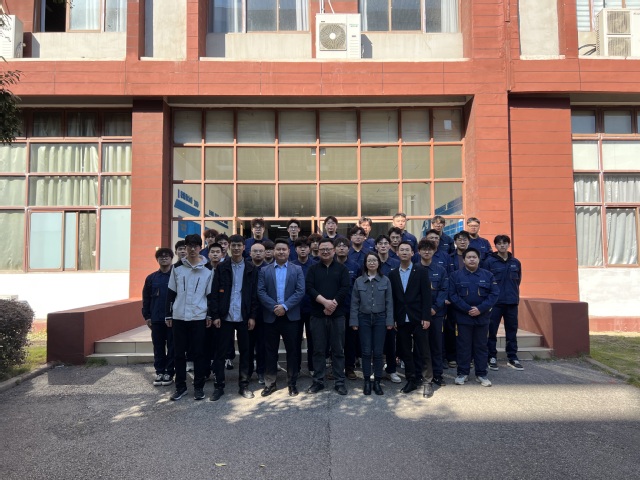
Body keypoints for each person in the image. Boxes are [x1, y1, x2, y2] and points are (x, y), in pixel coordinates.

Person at [209, 234, 259, 401]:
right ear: (229, 247)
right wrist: (215, 315)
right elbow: (214, 294)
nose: (236, 248)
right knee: (220, 353)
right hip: (225, 316)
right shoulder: (221, 267)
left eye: (239, 245)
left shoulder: (251, 268)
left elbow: (254, 295)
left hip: (244, 316)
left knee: (246, 352)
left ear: (244, 247)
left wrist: (252, 316)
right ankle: (219, 386)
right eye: (233, 245)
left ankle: (244, 385)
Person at [165, 234, 214, 401]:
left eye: (195, 246)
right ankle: (180, 387)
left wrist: (209, 314)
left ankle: (199, 387)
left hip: (198, 317)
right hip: (179, 316)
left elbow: (210, 295)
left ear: (200, 248)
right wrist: (168, 314)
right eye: (189, 246)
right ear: (185, 248)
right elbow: (171, 292)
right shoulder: (177, 268)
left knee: (199, 353)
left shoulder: (208, 269)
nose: (192, 249)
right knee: (179, 354)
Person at [257, 238, 306, 397]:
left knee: (292, 351)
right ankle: (270, 383)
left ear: (289, 251)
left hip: (290, 316)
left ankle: (292, 383)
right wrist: (275, 307)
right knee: (270, 351)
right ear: (273, 251)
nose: (281, 252)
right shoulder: (264, 270)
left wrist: (284, 307)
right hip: (271, 316)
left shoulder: (297, 269)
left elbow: (300, 291)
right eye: (278, 249)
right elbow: (261, 291)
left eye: (284, 249)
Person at [305, 238, 351, 395]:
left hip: (337, 316)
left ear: (334, 251)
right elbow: (309, 288)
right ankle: (318, 381)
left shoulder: (342, 269)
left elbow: (345, 288)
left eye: (328, 249)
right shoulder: (312, 269)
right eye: (322, 249)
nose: (325, 251)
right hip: (317, 315)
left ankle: (339, 382)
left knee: (338, 350)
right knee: (318, 350)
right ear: (318, 251)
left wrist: (333, 304)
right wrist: (325, 303)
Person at [389, 241, 434, 398]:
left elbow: (427, 296)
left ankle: (427, 382)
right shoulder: (393, 274)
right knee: (406, 351)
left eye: (407, 250)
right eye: (401, 250)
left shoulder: (420, 271)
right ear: (397, 253)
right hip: (401, 318)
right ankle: (412, 379)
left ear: (412, 253)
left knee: (424, 351)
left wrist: (426, 317)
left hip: (419, 318)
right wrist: (394, 318)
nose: (404, 252)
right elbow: (393, 299)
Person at [448, 248, 500, 387]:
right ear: (464, 260)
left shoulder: (488, 275)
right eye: (469, 257)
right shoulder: (455, 276)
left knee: (481, 346)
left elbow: (494, 294)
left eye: (474, 257)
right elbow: (452, 295)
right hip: (463, 317)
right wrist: (468, 309)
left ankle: (481, 374)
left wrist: (480, 309)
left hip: (482, 317)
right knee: (463, 346)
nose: (471, 259)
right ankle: (462, 373)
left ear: (478, 259)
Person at [350, 252, 393, 395]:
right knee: (366, 351)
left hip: (381, 319)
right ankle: (367, 381)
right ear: (365, 263)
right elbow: (354, 303)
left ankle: (377, 382)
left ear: (379, 263)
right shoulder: (359, 281)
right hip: (364, 319)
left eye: (374, 260)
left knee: (379, 352)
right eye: (369, 260)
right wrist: (354, 321)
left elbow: (389, 302)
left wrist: (389, 321)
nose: (372, 263)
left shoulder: (385, 280)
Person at [483, 235, 524, 371]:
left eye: (505, 243)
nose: (502, 245)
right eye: (499, 243)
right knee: (492, 330)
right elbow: (486, 283)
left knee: (511, 330)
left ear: (508, 244)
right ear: (495, 246)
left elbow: (517, 281)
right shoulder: (489, 262)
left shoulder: (516, 262)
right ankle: (491, 356)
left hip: (511, 302)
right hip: (495, 303)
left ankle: (512, 357)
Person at [416, 239, 449, 386]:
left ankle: (437, 374)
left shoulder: (440, 270)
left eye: (429, 249)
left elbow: (444, 290)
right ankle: (420, 374)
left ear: (434, 251)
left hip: (436, 313)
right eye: (423, 249)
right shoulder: (414, 269)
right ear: (419, 251)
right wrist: (422, 310)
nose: (426, 251)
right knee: (420, 346)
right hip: (419, 314)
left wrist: (435, 308)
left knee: (437, 345)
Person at [142, 247, 175, 387]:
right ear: (157, 259)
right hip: (156, 319)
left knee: (172, 347)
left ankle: (169, 372)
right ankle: (160, 372)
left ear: (171, 258)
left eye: (167, 256)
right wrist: (147, 316)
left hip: (173, 319)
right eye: (161, 256)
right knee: (158, 347)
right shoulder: (151, 278)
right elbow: (146, 299)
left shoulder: (176, 277)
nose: (164, 258)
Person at [374, 234, 401, 383]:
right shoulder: (371, 262)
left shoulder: (396, 263)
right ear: (376, 246)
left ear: (390, 246)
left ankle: (391, 370)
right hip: (375, 306)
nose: (383, 246)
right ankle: (376, 369)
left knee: (391, 340)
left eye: (386, 243)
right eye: (380, 243)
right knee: (375, 341)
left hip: (393, 306)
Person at [334, 237, 362, 381]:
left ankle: (350, 368)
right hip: (333, 309)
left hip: (351, 308)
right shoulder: (330, 265)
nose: (341, 248)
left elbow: (360, 288)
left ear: (349, 249)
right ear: (334, 249)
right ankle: (336, 368)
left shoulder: (355, 266)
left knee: (350, 340)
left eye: (344, 246)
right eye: (338, 246)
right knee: (335, 340)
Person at [292, 237, 317, 375]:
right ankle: (296, 368)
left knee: (313, 339)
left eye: (305, 247)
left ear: (309, 249)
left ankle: (312, 367)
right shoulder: (291, 265)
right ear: (295, 249)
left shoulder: (315, 265)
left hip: (312, 308)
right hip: (295, 308)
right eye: (300, 247)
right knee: (295, 339)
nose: (302, 249)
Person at [247, 242, 267, 384]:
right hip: (247, 312)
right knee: (247, 345)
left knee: (262, 345)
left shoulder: (269, 269)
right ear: (250, 253)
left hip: (264, 312)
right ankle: (247, 372)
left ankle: (261, 371)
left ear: (265, 253)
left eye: (261, 251)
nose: (258, 253)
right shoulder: (245, 268)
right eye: (255, 251)